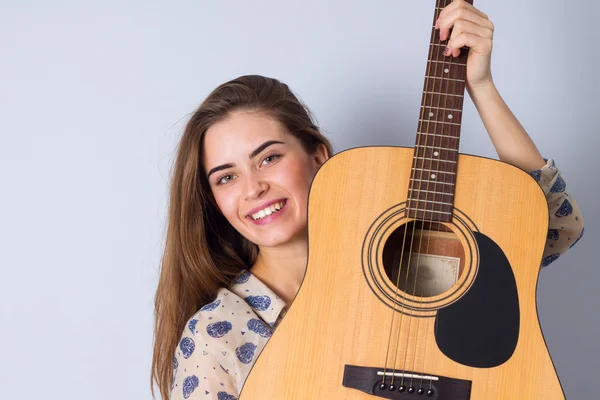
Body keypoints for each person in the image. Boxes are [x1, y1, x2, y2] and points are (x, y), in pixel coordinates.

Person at [151, 1, 585, 399]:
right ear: (213, 199)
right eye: (226, 177)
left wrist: (482, 86)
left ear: (318, 156)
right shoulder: (215, 336)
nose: (253, 188)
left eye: (269, 157)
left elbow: (555, 228)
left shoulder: (409, 259)